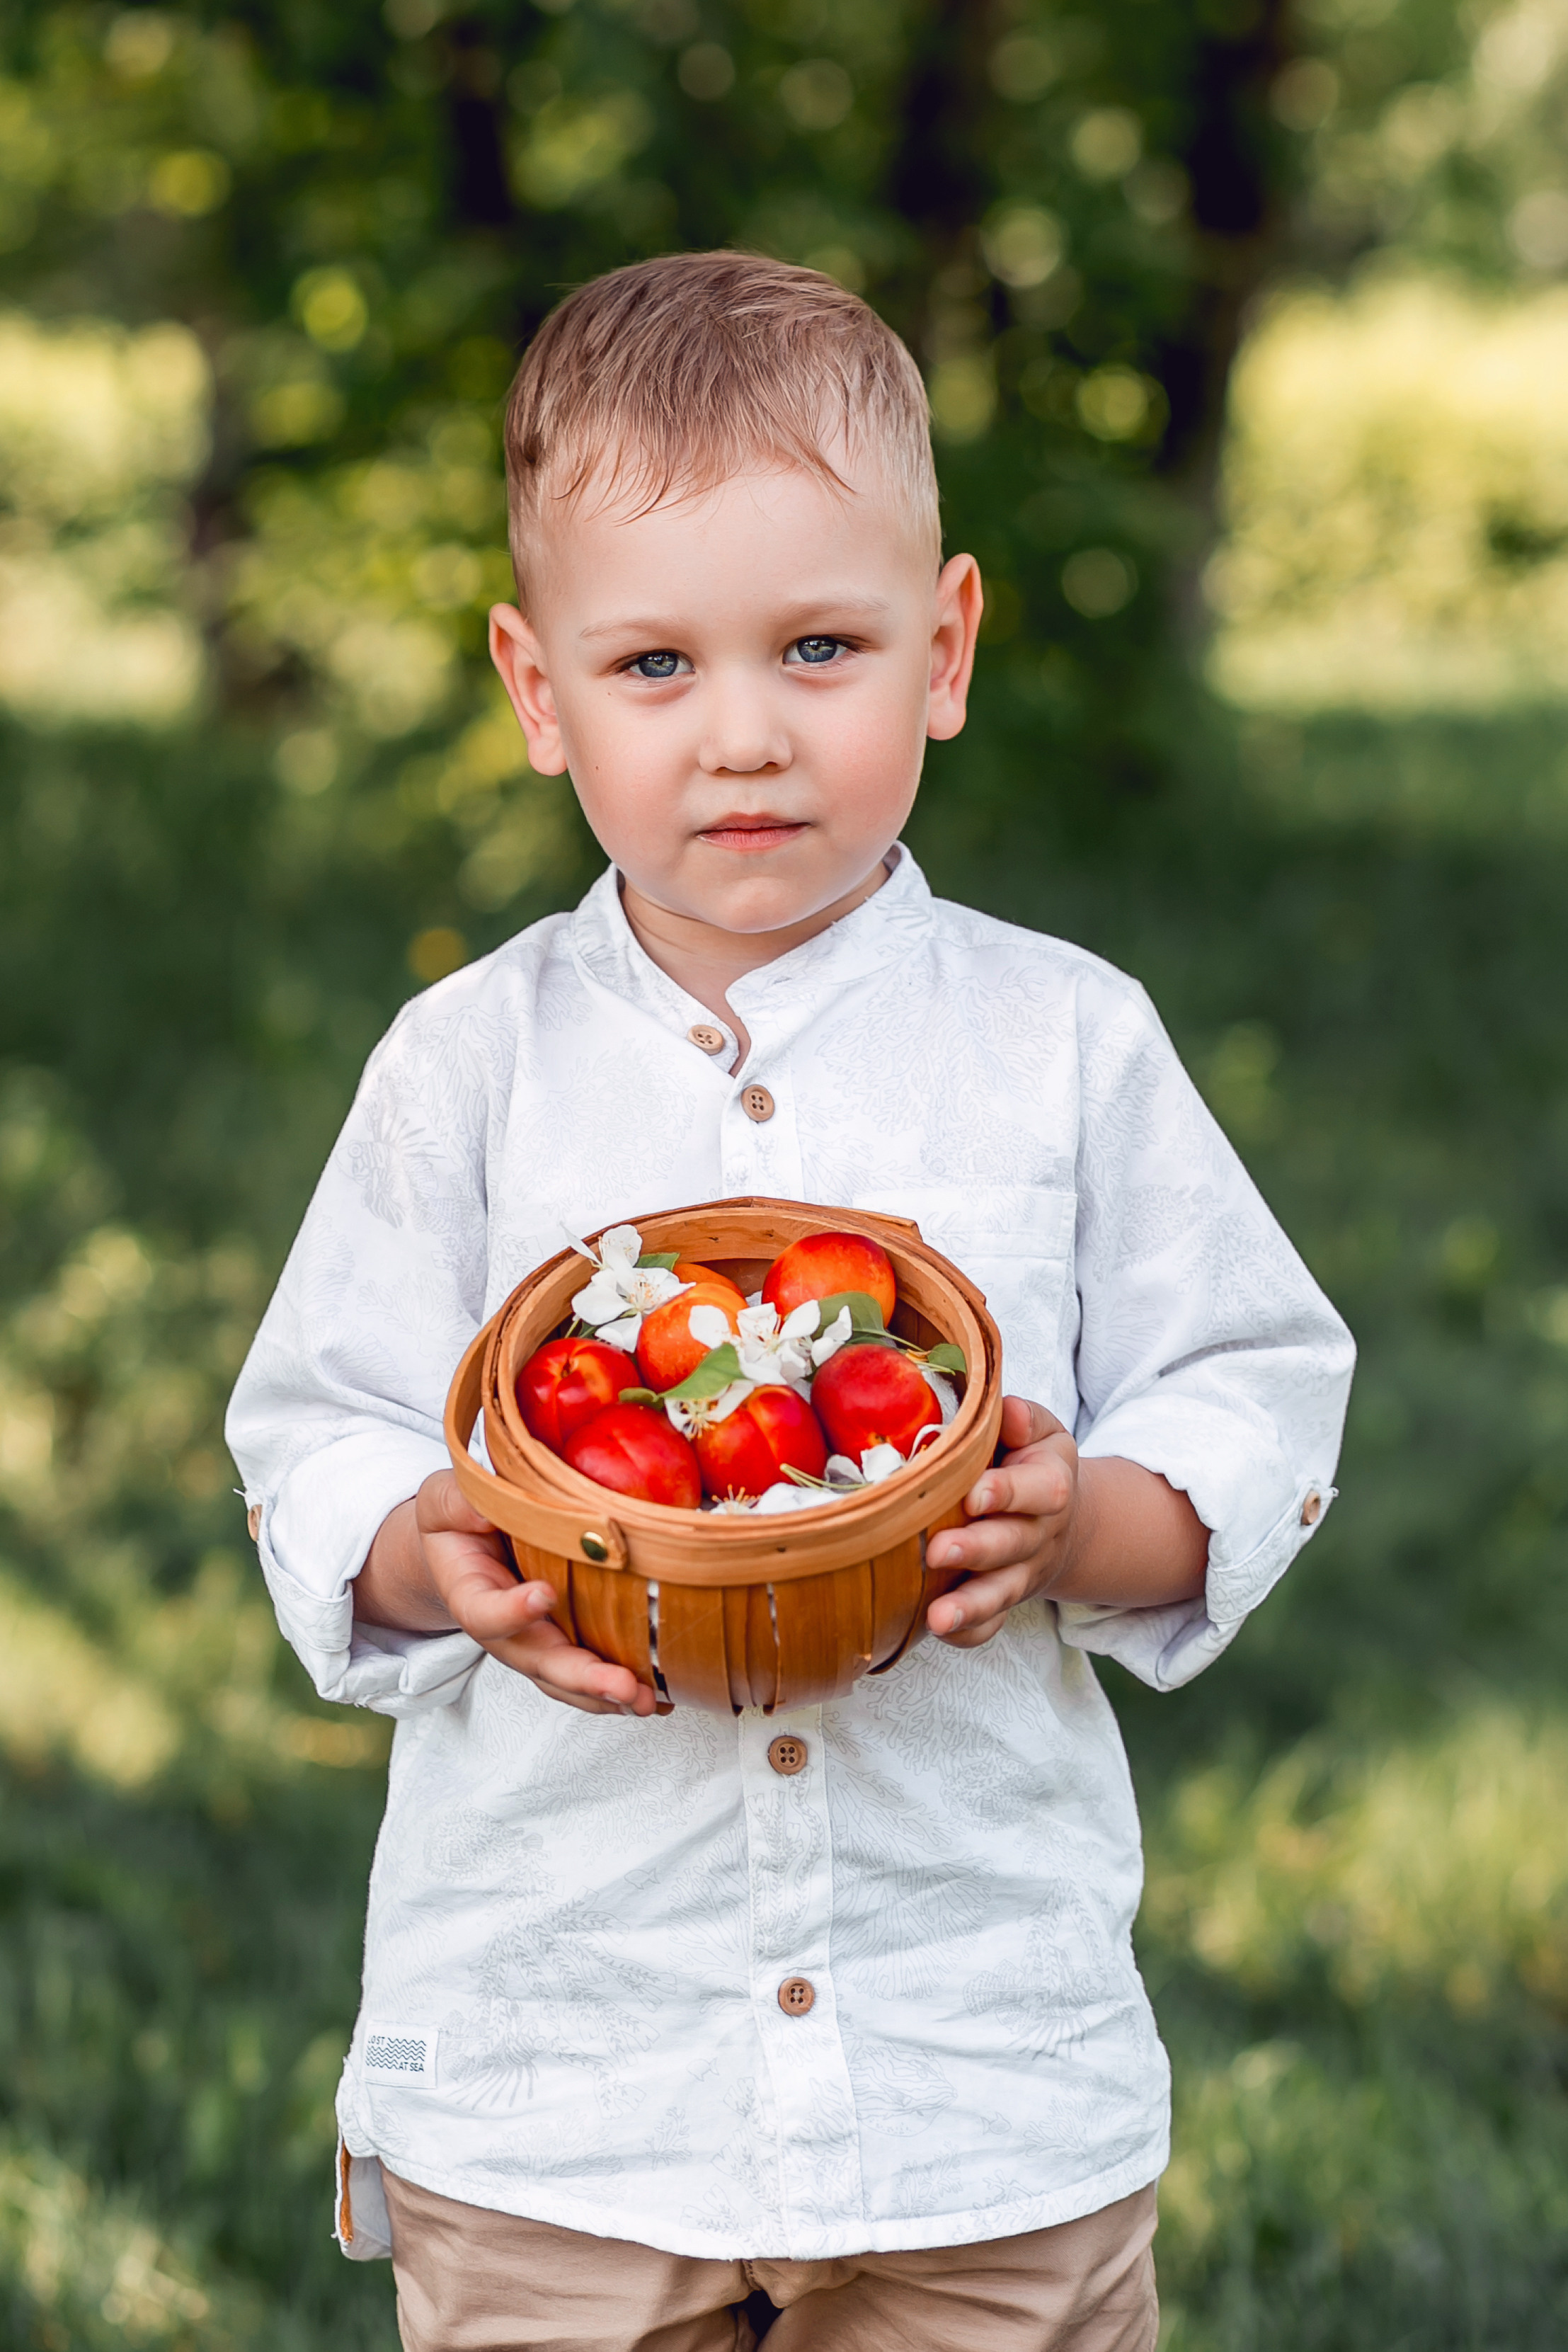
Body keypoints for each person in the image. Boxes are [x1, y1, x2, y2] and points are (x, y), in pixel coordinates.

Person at [227, 250, 1354, 2352]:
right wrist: (429, 1540)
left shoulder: (1067, 1042)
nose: (743, 733)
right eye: (653, 664)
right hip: (565, 2091)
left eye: (818, 646)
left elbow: (1258, 1380)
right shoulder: (463, 1069)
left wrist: (1083, 1521)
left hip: (973, 2101)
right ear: (536, 686)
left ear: (944, 649)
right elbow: (316, 1428)